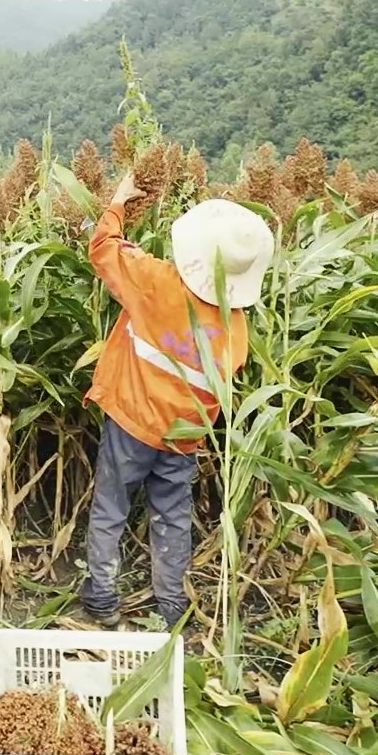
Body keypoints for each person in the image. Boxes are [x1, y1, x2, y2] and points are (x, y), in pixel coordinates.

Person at [79, 172, 274, 628]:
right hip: (184, 436)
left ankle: (102, 598)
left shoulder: (156, 282)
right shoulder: (237, 330)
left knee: (111, 506)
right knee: (172, 517)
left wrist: (119, 203)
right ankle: (171, 606)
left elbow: (104, 248)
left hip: (130, 423)